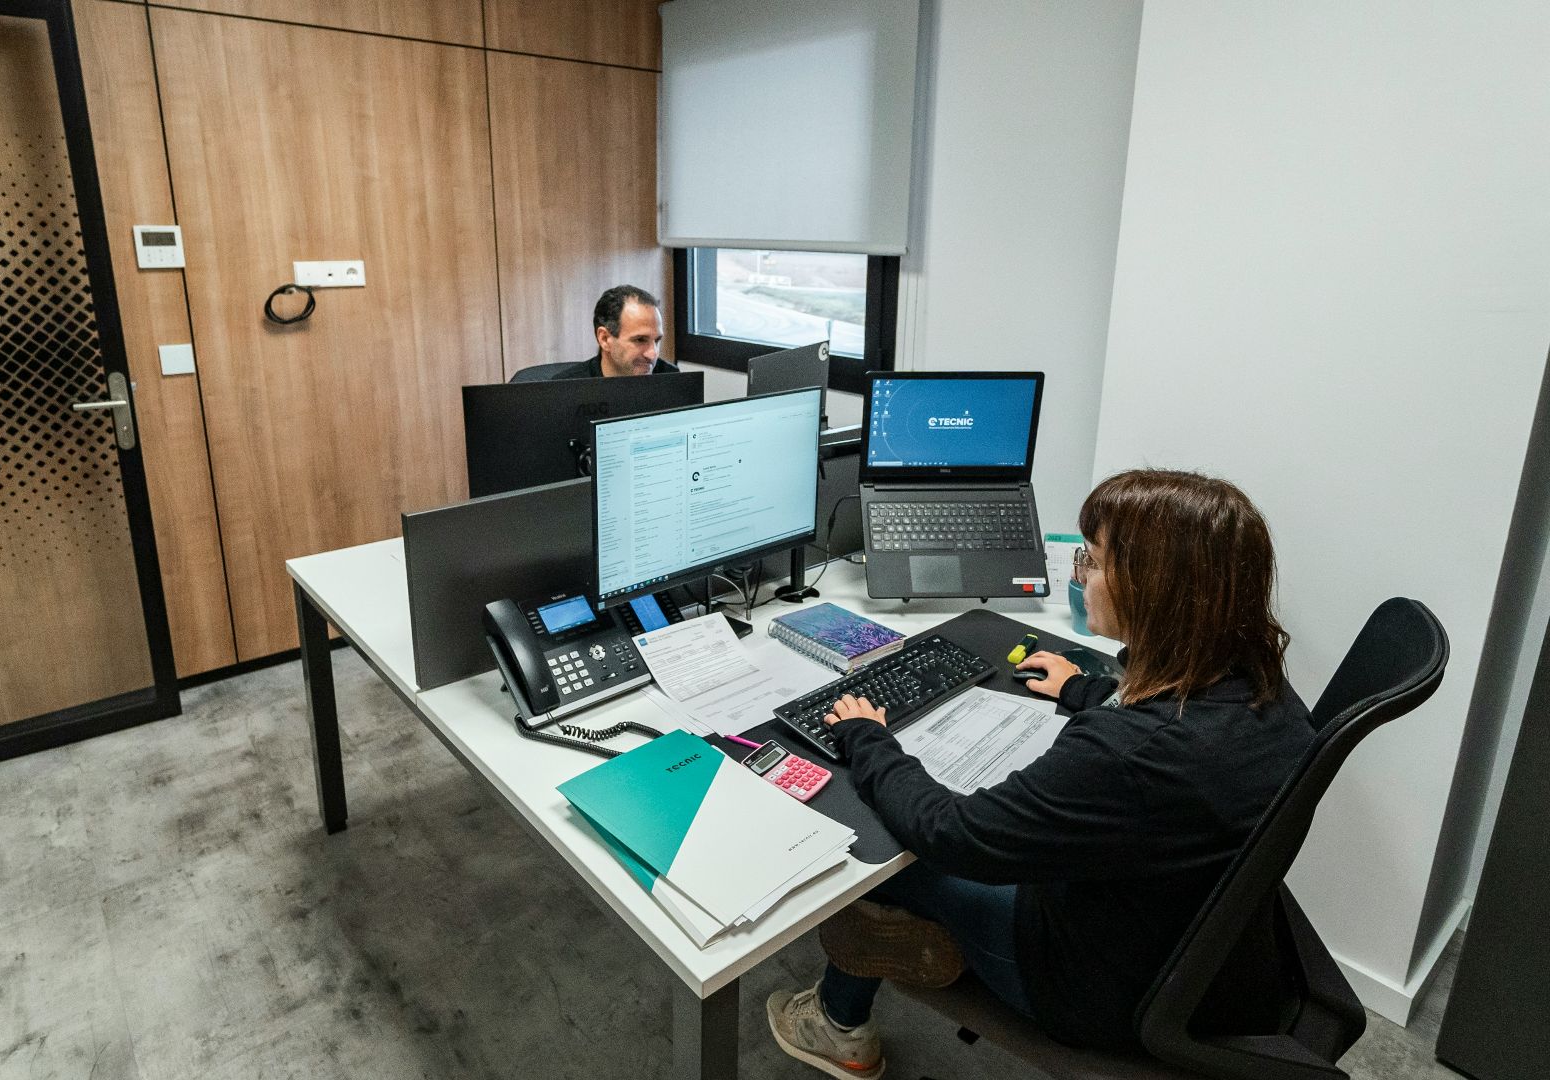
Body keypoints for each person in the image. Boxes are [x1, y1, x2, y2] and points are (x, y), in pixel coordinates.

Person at [766, 469, 1314, 1079]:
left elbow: (952, 833)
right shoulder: (1271, 697)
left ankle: (838, 1023)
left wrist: (869, 738)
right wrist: (1085, 688)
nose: (1080, 576)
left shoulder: (1125, 753)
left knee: (880, 857)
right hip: (1203, 959)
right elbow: (1164, 735)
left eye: (1095, 563)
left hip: (1090, 985)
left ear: (1152, 592)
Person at [544, 284, 678, 379]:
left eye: (657, 340)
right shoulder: (566, 389)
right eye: (640, 340)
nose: (653, 354)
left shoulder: (671, 378)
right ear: (604, 339)